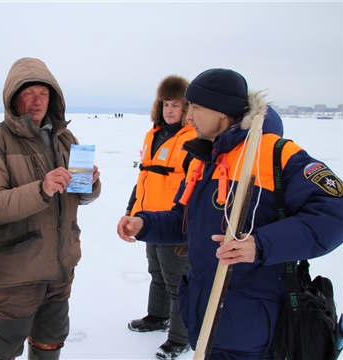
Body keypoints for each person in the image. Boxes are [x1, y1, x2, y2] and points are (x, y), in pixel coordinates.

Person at [117, 68, 343, 359]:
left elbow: (335, 211)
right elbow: (185, 223)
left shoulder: (273, 153)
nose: (189, 117)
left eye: (196, 108)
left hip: (253, 326)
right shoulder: (205, 159)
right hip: (206, 316)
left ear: (221, 112)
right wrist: (144, 223)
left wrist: (261, 245)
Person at [0, 57, 102, 360]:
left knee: (51, 340)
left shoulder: (65, 138)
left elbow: (81, 198)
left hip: (61, 267)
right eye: (28, 93)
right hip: (18, 273)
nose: (36, 101)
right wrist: (40, 189)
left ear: (53, 98)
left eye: (43, 93)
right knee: (3, 349)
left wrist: (91, 184)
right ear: (13, 98)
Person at [124, 75, 195, 359]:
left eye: (176, 105)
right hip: (149, 218)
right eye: (166, 104)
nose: (169, 110)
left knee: (178, 281)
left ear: (187, 108)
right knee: (156, 272)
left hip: (174, 223)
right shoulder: (154, 134)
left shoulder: (192, 139)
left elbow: (196, 184)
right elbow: (144, 176)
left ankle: (181, 338)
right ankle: (157, 316)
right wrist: (132, 210)